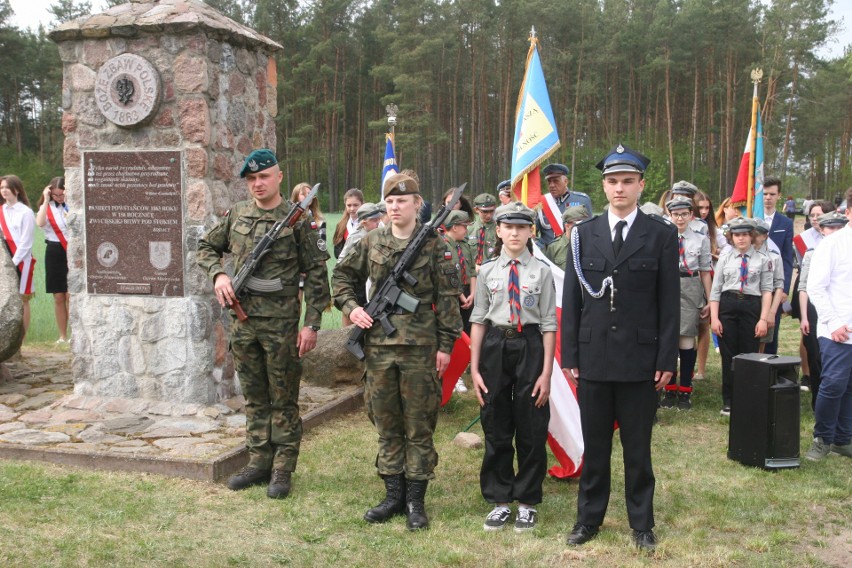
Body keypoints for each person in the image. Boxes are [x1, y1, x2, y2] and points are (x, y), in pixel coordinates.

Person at [562, 143, 678, 551]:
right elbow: (573, 300)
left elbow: (668, 302)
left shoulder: (661, 234)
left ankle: (641, 523)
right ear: (603, 186)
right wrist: (570, 355)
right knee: (594, 446)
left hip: (640, 360)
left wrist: (666, 358)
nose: (619, 189)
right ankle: (588, 519)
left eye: (628, 181)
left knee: (637, 449)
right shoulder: (583, 234)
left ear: (641, 185)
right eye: (612, 182)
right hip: (593, 358)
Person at [196, 149, 330, 498]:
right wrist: (218, 276)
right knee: (254, 395)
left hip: (283, 327)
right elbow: (206, 247)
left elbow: (317, 275)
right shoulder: (237, 215)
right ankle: (258, 462)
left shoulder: (297, 220)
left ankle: (283, 469)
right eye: (252, 179)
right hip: (243, 324)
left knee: (283, 398)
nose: (257, 184)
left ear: (279, 177)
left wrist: (311, 324)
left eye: (264, 177)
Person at [332, 172, 461, 530]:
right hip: (379, 348)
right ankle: (392, 495)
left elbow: (448, 300)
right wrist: (352, 307)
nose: (395, 206)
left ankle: (416, 501)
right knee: (386, 421)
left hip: (421, 347)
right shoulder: (371, 240)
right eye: (389, 201)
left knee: (419, 424)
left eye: (402, 201)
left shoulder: (435, 245)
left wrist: (447, 345)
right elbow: (341, 277)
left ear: (417, 204)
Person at [469, 201, 556, 533]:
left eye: (522, 227)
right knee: (496, 421)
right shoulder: (487, 270)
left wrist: (546, 373)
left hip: (530, 344)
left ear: (530, 231)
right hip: (495, 345)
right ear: (499, 231)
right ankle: (500, 499)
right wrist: (475, 368)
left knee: (532, 421)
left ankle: (528, 501)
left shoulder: (542, 271)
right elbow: (478, 319)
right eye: (509, 227)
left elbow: (549, 324)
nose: (515, 233)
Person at [804, 192, 852, 461]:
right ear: (848, 213)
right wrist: (834, 323)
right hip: (836, 331)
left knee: (850, 387)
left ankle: (843, 439)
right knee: (833, 385)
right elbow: (816, 287)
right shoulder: (832, 244)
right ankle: (822, 438)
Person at [709, 218, 773, 416]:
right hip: (728, 305)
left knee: (749, 353)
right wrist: (714, 318)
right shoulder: (726, 259)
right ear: (731, 237)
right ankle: (728, 399)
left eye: (745, 234)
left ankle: (748, 397)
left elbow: (767, 290)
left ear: (752, 236)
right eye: (737, 235)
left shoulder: (763, 260)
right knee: (729, 355)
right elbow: (715, 290)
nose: (741, 238)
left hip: (751, 306)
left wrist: (763, 319)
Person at [659, 196, 711, 411]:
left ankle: (686, 390)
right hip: (667, 286)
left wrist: (709, 299)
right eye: (675, 214)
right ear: (669, 216)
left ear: (691, 215)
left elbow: (706, 270)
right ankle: (669, 389)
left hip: (690, 286)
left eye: (684, 214)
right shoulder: (662, 237)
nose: (680, 218)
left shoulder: (700, 239)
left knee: (687, 339)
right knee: (668, 338)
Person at [798, 211, 848, 410]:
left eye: (838, 227)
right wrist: (804, 316)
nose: (834, 231)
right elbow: (805, 287)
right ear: (821, 229)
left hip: (842, 312)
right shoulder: (814, 251)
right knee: (817, 358)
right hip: (816, 309)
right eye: (830, 227)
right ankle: (817, 402)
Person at [442, 209, 476, 393]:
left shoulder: (465, 245)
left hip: (468, 294)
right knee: (455, 335)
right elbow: (448, 275)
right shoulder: (442, 246)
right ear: (454, 227)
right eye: (464, 226)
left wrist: (472, 293)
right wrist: (461, 296)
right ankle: (456, 377)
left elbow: (471, 271)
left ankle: (469, 367)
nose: (466, 230)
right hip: (451, 295)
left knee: (469, 331)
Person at [0, 175, 36, 340]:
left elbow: (26, 243)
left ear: (17, 189)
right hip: (5, 260)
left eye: (7, 187)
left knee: (22, 300)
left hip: (21, 261)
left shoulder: (26, 212)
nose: (4, 190)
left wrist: (12, 264)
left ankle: (20, 338)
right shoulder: (1, 211)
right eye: (1, 188)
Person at [761, 176, 794, 355]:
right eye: (765, 194)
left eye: (772, 194)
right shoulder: (752, 217)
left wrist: (785, 288)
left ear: (778, 195)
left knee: (771, 328)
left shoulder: (785, 223)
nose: (768, 197)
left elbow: (787, 258)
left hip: (775, 284)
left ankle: (769, 370)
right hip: (753, 282)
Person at [35, 177, 70, 343]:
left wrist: (69, 199)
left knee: (71, 294)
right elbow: (40, 223)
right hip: (54, 251)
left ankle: (76, 334)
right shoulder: (46, 207)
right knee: (58, 296)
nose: (59, 198)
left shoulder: (72, 206)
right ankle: (62, 335)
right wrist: (46, 199)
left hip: (72, 250)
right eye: (56, 195)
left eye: (61, 194)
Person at [694, 190, 722, 381]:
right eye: (700, 207)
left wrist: (716, 253)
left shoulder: (714, 230)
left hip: (709, 276)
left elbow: (728, 252)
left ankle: (701, 369)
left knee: (703, 325)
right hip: (688, 278)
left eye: (707, 208)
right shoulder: (687, 225)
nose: (704, 211)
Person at [535, 163, 592, 247]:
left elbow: (590, 231)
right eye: (549, 181)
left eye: (555, 181)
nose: (551, 185)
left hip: (575, 252)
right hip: (549, 255)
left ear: (565, 181)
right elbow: (532, 234)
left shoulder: (582, 200)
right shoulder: (539, 203)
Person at [753, 219, 786, 354]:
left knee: (762, 341)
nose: (754, 237)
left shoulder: (774, 257)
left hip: (765, 302)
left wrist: (771, 313)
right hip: (748, 302)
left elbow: (779, 286)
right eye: (752, 233)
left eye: (757, 234)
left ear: (765, 236)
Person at [544, 205, 589, 269]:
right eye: (579, 223)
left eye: (586, 222)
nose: (584, 226)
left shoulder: (593, 244)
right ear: (567, 226)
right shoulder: (554, 247)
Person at [468, 193, 498, 271]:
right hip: (472, 272)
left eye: (492, 211)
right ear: (476, 210)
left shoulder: (499, 230)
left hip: (493, 271)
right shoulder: (469, 229)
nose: (489, 215)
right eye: (485, 212)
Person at [332, 188, 364, 260]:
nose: (352, 208)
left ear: (362, 204)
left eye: (355, 205)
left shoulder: (367, 224)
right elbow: (337, 251)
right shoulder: (341, 225)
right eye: (349, 205)